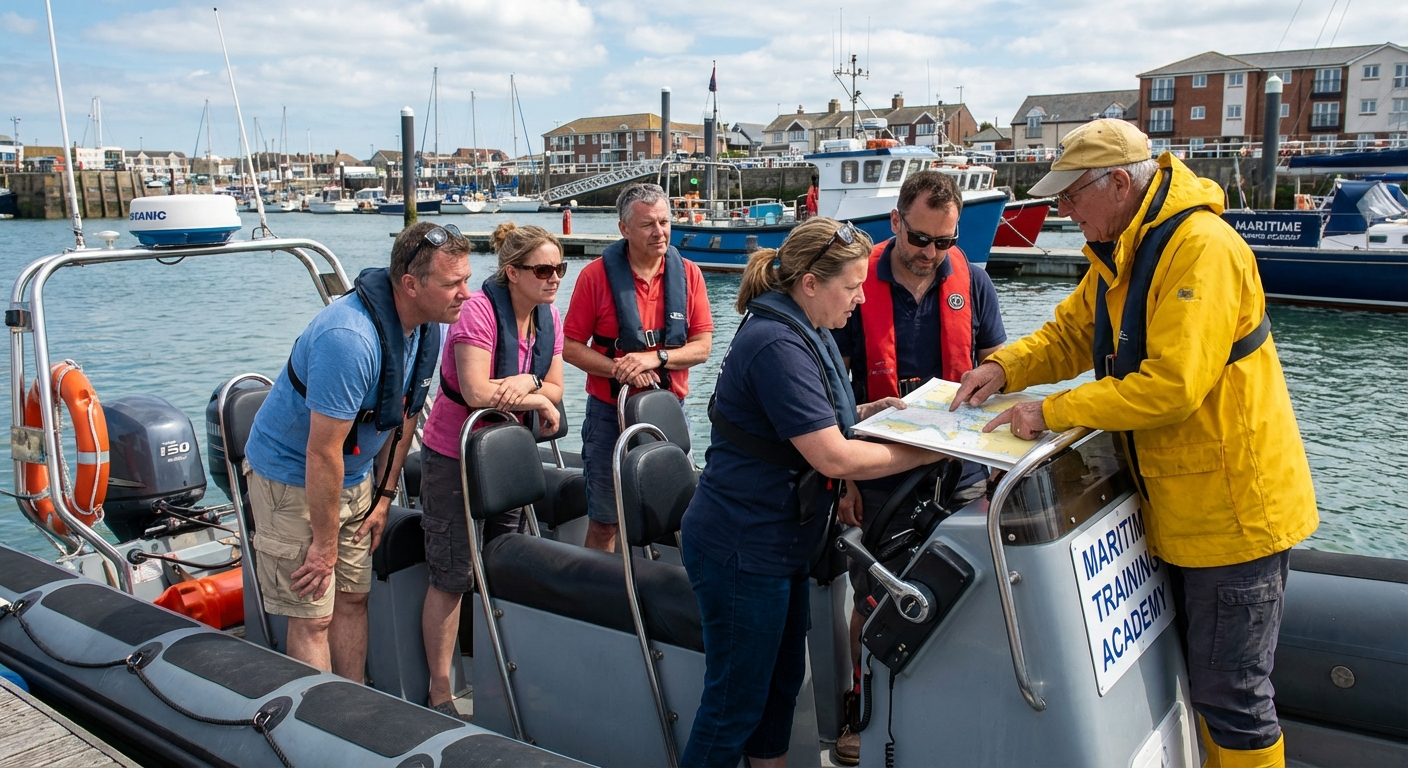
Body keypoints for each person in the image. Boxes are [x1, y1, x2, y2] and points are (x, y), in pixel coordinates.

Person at [952, 119, 1317, 768]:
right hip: (1178, 511)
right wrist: (1005, 368)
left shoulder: (1201, 248)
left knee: (1233, 697)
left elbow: (1170, 388)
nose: (1062, 211)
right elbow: (1067, 334)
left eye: (1070, 196)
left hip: (1231, 519)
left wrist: (1051, 410)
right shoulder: (1124, 250)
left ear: (1119, 183)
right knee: (1212, 686)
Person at [679, 218, 945, 768]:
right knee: (733, 706)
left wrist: (878, 412)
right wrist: (934, 449)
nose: (858, 298)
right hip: (741, 548)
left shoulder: (809, 328)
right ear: (809, 284)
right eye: (851, 287)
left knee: (778, 693)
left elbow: (823, 419)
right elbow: (834, 456)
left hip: (779, 546)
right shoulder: (776, 341)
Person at [829, 170, 1007, 765]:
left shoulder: (975, 284)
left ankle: (944, 707)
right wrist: (845, 481)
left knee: (964, 590)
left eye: (944, 242)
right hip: (877, 470)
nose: (931, 253)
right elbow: (832, 393)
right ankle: (861, 714)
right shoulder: (853, 287)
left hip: (958, 473)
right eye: (920, 239)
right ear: (897, 223)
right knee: (873, 597)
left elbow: (997, 371)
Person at [243, 221, 471, 678]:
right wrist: (324, 546)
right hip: (293, 480)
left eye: (466, 279)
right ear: (411, 285)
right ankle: (321, 727)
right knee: (314, 613)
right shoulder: (348, 339)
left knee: (353, 598)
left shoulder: (429, 327)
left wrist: (384, 497)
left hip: (356, 478)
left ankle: (354, 707)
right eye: (453, 283)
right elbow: (321, 452)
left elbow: (403, 418)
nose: (465, 293)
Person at [417, 222, 566, 717]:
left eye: (560, 269)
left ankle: (503, 673)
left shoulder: (549, 318)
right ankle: (440, 691)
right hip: (455, 457)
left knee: (504, 559)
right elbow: (479, 392)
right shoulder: (477, 313)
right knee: (452, 574)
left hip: (507, 457)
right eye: (543, 270)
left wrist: (532, 390)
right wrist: (532, 386)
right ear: (512, 272)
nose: (554, 279)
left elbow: (560, 392)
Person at [563, 183, 713, 552]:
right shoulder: (594, 277)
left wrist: (656, 358)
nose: (659, 232)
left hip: (668, 411)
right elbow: (569, 348)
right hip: (608, 414)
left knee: (684, 513)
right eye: (648, 224)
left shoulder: (689, 274)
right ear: (624, 229)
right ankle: (598, 602)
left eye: (664, 222)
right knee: (604, 521)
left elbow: (703, 348)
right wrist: (618, 368)